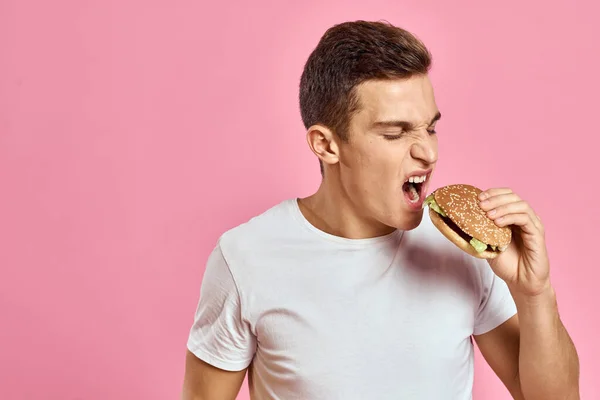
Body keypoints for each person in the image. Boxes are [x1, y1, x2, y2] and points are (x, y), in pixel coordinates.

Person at [181, 20, 580, 400]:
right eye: (395, 133)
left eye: (430, 127)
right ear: (326, 145)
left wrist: (534, 292)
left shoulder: (460, 247)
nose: (428, 152)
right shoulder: (245, 258)